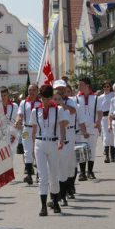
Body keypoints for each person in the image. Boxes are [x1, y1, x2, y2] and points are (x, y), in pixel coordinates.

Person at [31, 84, 69, 216]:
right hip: (40, 144)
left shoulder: (58, 110)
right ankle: (43, 206)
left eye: (48, 98)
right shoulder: (35, 111)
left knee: (54, 174)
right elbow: (34, 131)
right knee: (42, 176)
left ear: (51, 97)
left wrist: (62, 140)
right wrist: (32, 148)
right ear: (40, 97)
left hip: (53, 143)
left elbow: (62, 126)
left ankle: (55, 202)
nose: (45, 101)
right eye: (43, 99)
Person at [54, 80, 78, 204]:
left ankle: (67, 189)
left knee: (68, 165)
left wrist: (62, 104)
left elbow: (73, 111)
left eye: (62, 88)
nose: (61, 90)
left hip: (68, 135)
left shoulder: (70, 101)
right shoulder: (50, 107)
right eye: (57, 88)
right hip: (54, 140)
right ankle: (59, 195)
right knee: (57, 168)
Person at [76, 76, 102, 180]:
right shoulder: (77, 98)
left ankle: (90, 171)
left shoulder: (96, 98)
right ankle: (82, 173)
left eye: (81, 85)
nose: (79, 86)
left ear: (87, 85)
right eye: (78, 85)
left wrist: (98, 122)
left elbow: (100, 112)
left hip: (92, 127)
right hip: (80, 128)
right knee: (81, 149)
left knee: (92, 149)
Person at [15, 84, 40, 185]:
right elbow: (20, 115)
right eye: (30, 90)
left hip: (37, 129)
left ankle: (39, 175)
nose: (31, 92)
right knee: (27, 151)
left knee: (37, 151)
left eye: (33, 90)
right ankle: (29, 175)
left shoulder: (41, 103)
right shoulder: (23, 103)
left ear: (37, 91)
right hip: (26, 130)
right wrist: (18, 121)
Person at [99, 81, 115, 163]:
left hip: (112, 117)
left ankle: (113, 155)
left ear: (110, 87)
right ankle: (107, 156)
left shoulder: (113, 95)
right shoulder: (100, 97)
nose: (106, 88)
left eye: (108, 86)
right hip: (104, 118)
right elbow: (98, 109)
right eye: (105, 86)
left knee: (112, 136)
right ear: (103, 88)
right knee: (106, 136)